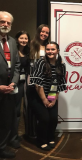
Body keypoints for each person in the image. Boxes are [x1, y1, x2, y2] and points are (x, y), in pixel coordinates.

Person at [29, 41, 66, 150]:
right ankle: (41, 141)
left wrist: (54, 100)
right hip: (37, 95)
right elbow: (37, 85)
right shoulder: (40, 62)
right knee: (44, 118)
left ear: (57, 51)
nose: (50, 52)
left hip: (51, 95)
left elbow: (58, 85)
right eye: (48, 49)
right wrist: (44, 100)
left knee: (53, 118)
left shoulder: (61, 65)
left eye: (53, 49)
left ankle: (50, 138)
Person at [0, 11, 20, 158]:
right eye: (2, 21)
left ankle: (1, 147)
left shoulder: (12, 42)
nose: (5, 24)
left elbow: (17, 66)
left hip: (9, 90)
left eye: (8, 23)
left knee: (6, 120)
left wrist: (13, 82)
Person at [25, 24, 50, 139]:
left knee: (43, 106)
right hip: (32, 78)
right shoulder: (30, 45)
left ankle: (43, 132)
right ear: (38, 32)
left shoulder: (48, 46)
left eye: (47, 33)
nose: (44, 34)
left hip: (45, 79)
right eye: (42, 31)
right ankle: (31, 132)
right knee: (31, 105)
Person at [10, 31, 30, 146]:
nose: (24, 40)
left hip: (25, 84)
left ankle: (18, 134)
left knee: (24, 109)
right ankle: (12, 135)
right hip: (15, 84)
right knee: (15, 110)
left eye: (26, 38)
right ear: (17, 39)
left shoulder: (28, 52)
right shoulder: (13, 51)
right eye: (21, 38)